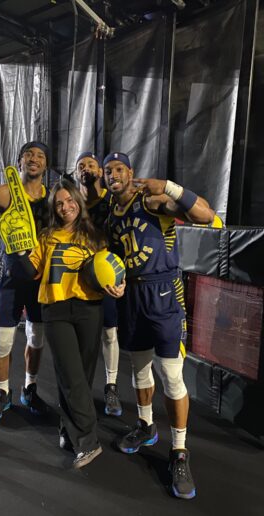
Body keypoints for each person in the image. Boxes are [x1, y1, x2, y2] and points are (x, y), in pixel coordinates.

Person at [103, 152, 215, 499]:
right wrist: (113, 282)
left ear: (130, 172)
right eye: (107, 171)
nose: (112, 175)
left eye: (118, 169)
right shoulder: (111, 216)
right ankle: (146, 426)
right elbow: (114, 260)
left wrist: (168, 186)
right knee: (139, 370)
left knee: (171, 375)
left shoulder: (150, 202)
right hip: (132, 298)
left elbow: (206, 214)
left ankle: (179, 451)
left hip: (163, 293)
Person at [10, 178, 125, 468]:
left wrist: (119, 285)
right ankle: (88, 441)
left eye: (70, 200)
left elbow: (112, 270)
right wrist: (18, 249)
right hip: (56, 308)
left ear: (78, 201)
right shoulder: (47, 236)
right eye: (59, 203)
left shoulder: (96, 236)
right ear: (54, 208)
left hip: (90, 308)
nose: (65, 207)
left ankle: (68, 429)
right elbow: (31, 271)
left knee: (81, 377)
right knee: (70, 374)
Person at [0, 142, 50, 423]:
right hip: (10, 278)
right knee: (4, 342)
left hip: (40, 280)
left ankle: (29, 388)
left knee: (36, 339)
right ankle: (2, 393)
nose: (34, 159)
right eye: (28, 154)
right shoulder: (3, 193)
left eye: (40, 155)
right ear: (19, 161)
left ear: (45, 165)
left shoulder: (53, 198)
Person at [75, 152, 122, 416]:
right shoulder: (71, 203)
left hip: (105, 277)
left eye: (91, 164)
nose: (86, 168)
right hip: (78, 278)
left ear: (100, 171)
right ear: (76, 172)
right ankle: (81, 389)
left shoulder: (112, 200)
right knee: (81, 335)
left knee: (109, 332)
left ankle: (111, 387)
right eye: (81, 165)